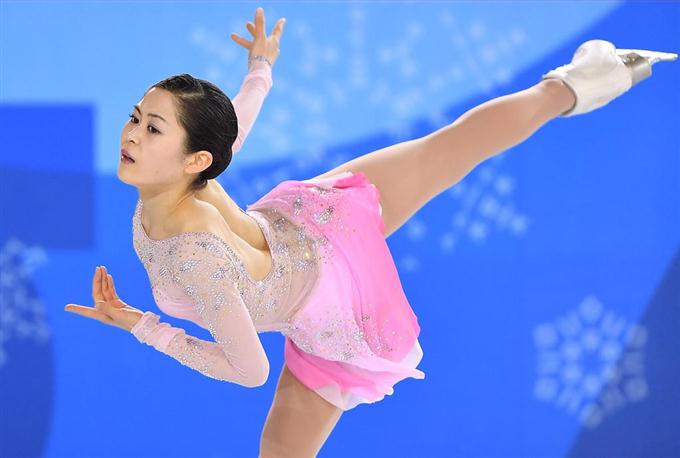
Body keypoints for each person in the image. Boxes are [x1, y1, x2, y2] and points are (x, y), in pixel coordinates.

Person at [64, 6, 677, 457]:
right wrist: (260, 72)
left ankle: (579, 82)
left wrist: (144, 328)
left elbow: (248, 371)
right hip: (312, 223)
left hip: (331, 296)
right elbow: (231, 135)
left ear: (195, 160)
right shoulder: (183, 181)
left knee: (449, 149)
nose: (131, 136)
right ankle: (581, 83)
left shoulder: (196, 255)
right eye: (136, 119)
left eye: (152, 129)